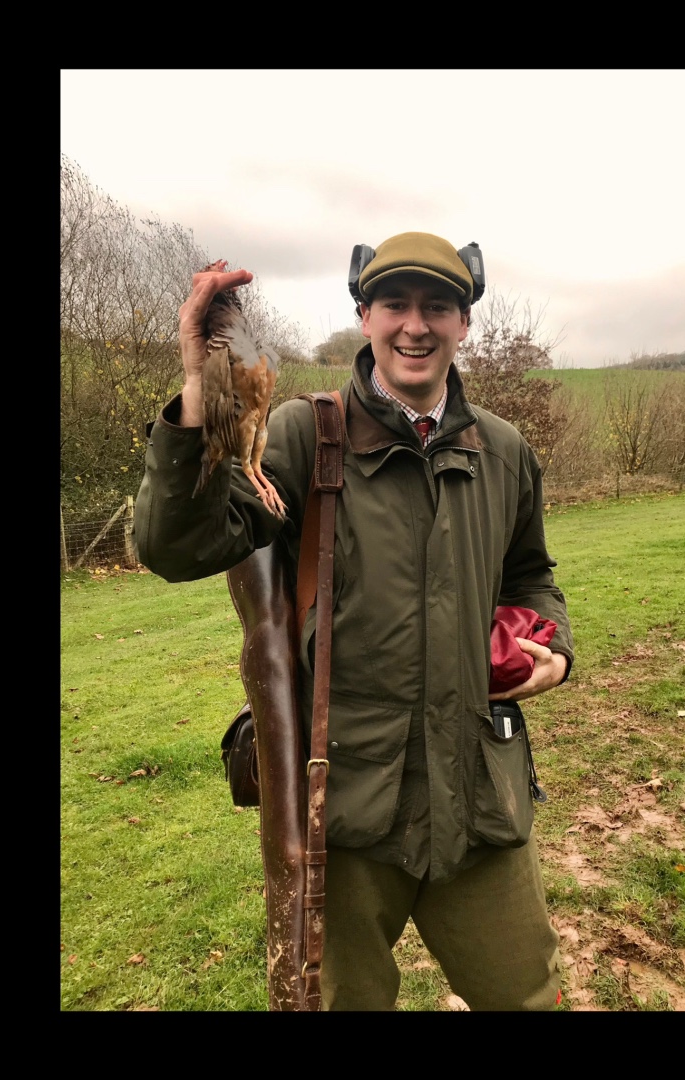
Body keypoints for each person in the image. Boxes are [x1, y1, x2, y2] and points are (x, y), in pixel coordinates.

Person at [135, 231, 574, 1010]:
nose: (416, 325)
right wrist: (199, 388)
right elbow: (176, 544)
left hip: (478, 799)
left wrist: (553, 648)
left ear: (463, 323)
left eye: (437, 306)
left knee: (531, 999)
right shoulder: (307, 435)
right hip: (342, 812)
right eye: (395, 304)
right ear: (364, 315)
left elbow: (532, 576)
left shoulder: (504, 451)